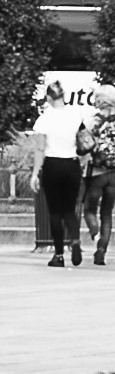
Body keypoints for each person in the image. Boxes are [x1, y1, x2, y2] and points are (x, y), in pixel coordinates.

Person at [32, 79, 88, 268]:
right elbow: (83, 138)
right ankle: (74, 240)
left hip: (52, 165)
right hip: (72, 165)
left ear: (48, 97)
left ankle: (58, 254)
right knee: (69, 209)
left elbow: (40, 149)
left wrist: (34, 174)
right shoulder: (74, 115)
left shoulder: (44, 119)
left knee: (55, 211)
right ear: (63, 96)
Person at [83, 88, 115, 267]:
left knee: (89, 209)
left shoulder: (92, 121)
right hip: (114, 173)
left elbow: (82, 145)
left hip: (95, 172)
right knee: (107, 213)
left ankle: (95, 235)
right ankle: (102, 250)